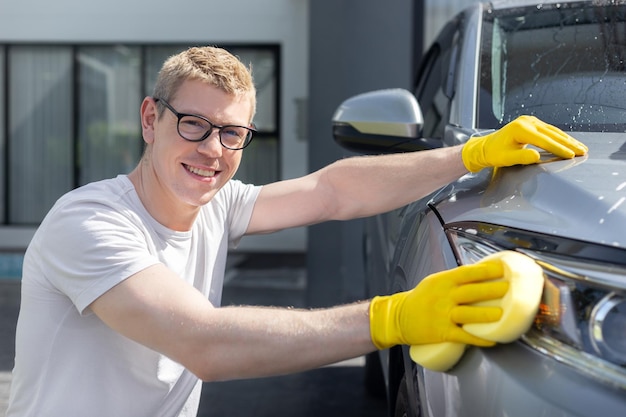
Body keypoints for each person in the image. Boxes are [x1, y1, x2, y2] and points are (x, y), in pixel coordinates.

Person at [6, 46, 587, 417]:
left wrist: (472, 154)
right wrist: (393, 318)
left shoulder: (217, 205)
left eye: (231, 134)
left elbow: (331, 192)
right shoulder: (89, 222)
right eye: (194, 125)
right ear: (150, 119)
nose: (212, 150)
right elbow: (203, 343)